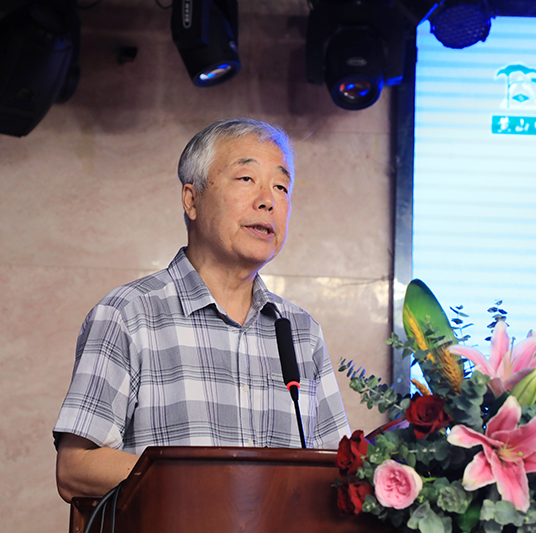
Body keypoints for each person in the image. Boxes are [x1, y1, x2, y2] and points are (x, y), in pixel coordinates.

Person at [53, 118, 350, 502]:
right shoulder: (128, 314)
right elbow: (76, 468)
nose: (268, 200)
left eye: (281, 186)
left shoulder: (300, 331)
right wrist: (216, 486)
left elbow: (338, 475)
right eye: (246, 179)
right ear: (191, 200)